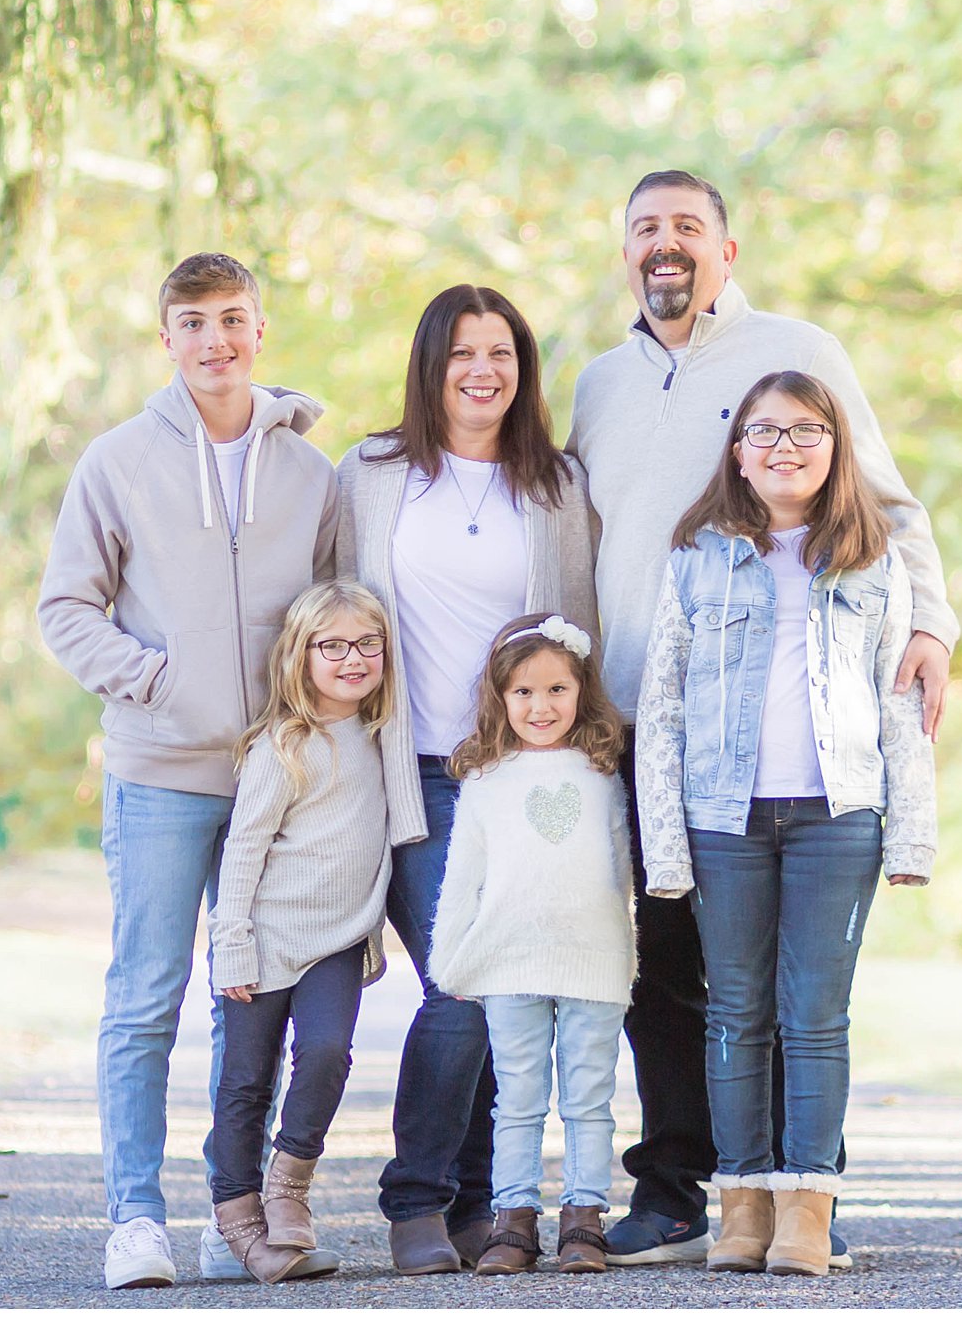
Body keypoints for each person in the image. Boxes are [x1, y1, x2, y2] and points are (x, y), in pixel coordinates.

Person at [565, 170, 960, 1265]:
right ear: (625, 248)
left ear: (725, 251)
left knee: (783, 978)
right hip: (638, 719)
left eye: (687, 228)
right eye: (644, 227)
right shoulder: (598, 384)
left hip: (771, 730)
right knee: (666, 969)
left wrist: (929, 622)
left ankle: (799, 1185)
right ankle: (684, 1185)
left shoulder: (796, 354)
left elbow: (883, 500)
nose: (664, 245)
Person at [37, 251, 343, 1289]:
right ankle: (133, 1216)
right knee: (145, 996)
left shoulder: (311, 472)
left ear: (261, 329)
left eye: (233, 318)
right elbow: (65, 608)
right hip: (161, 771)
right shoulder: (117, 460)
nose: (215, 339)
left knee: (245, 998)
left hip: (276, 780)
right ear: (165, 338)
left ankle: (235, 1215)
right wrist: (156, 681)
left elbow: (339, 614)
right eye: (193, 322)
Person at [635, 369, 937, 1275]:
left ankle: (807, 1209)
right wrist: (664, 842)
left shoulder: (872, 558)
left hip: (838, 816)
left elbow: (899, 705)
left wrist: (913, 834)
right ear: (738, 452)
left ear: (836, 448)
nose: (784, 448)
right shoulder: (696, 555)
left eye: (806, 432)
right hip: (724, 817)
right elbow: (663, 707)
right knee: (734, 1012)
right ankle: (742, 1211)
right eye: (765, 433)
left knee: (814, 1014)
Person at [336, 284, 599, 1274]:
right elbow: (327, 613)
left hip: (520, 778)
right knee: (457, 981)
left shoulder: (557, 486)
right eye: (461, 353)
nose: (483, 370)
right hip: (412, 769)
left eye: (500, 352)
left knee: (506, 983)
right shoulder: (369, 474)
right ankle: (417, 1199)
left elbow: (580, 626)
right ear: (430, 366)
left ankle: (478, 1205)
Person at [427, 613, 636, 1276]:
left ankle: (584, 1216)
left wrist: (627, 950)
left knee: (588, 1096)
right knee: (516, 1095)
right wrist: (449, 961)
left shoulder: (603, 772)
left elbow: (623, 868)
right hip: (509, 958)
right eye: (523, 692)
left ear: (581, 691)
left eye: (555, 690)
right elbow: (462, 878)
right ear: (500, 696)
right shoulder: (487, 778)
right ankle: (512, 1219)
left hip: (593, 958)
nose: (540, 706)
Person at [207, 580, 401, 1283]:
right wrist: (230, 940)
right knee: (245, 1082)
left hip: (339, 939)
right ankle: (240, 1223)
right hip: (263, 939)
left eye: (368, 643)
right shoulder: (282, 746)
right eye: (335, 646)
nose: (354, 658)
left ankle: (287, 1186)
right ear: (300, 655)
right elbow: (244, 850)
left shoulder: (385, 736)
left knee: (325, 1053)